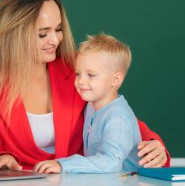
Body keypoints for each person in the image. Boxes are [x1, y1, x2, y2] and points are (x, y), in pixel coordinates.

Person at [0, 0, 170, 171]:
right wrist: (2, 160)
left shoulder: (77, 69)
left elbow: (116, 115)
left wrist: (153, 143)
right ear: (14, 35)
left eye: (58, 29)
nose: (55, 40)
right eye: (42, 33)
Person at [34, 34, 141, 174]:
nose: (81, 81)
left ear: (115, 80)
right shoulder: (92, 105)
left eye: (91, 75)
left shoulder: (118, 118)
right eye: (78, 74)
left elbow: (111, 162)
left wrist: (63, 165)